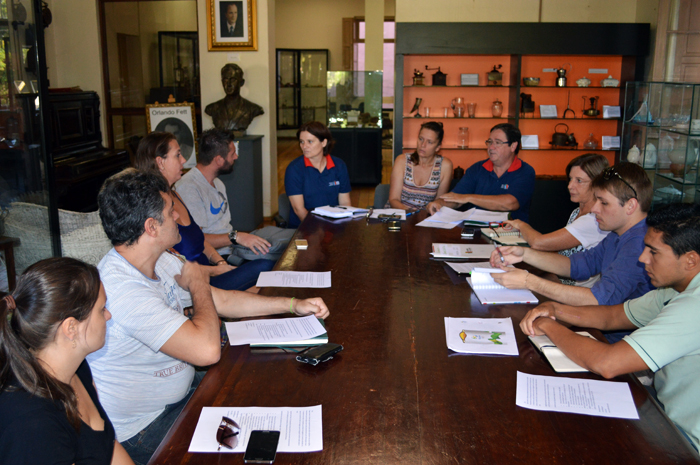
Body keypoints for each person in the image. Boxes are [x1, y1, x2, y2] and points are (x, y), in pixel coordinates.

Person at [88, 169, 329, 465]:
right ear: (151, 227)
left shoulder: (158, 258)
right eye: (170, 211)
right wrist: (199, 281)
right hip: (147, 428)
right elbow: (207, 351)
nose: (178, 215)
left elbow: (224, 300)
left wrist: (292, 305)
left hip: (182, 394)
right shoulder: (123, 290)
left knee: (268, 391)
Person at [519, 203, 700, 452]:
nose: (642, 258)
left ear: (690, 260)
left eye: (653, 252)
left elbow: (608, 363)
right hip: (666, 411)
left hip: (686, 439)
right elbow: (612, 317)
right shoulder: (675, 288)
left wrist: (548, 326)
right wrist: (555, 309)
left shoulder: (693, 305)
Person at [0, 258, 133, 465]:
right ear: (71, 328)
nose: (108, 315)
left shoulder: (76, 367)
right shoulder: (31, 424)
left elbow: (107, 446)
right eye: (101, 309)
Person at [489, 163, 654, 308]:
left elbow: (599, 299)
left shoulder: (639, 244)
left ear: (631, 205)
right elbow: (576, 265)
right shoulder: (618, 234)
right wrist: (524, 254)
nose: (595, 208)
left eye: (604, 202)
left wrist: (529, 282)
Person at [135, 131, 273, 291]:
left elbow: (199, 238)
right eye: (177, 155)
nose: (184, 160)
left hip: (210, 271)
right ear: (160, 162)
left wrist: (220, 262)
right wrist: (217, 268)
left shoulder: (175, 194)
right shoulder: (153, 207)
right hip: (197, 285)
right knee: (266, 268)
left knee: (269, 272)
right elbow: (171, 269)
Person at [503, 153, 609, 287]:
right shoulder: (577, 212)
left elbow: (539, 243)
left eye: (579, 181)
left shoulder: (594, 220)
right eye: (570, 179)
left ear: (597, 184)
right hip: (561, 278)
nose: (570, 186)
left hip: (573, 290)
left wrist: (520, 224)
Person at [175, 128, 273, 259]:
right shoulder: (188, 188)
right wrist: (237, 237)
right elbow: (195, 239)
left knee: (275, 251)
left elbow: (224, 229)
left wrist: (239, 238)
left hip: (232, 249)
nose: (236, 157)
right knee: (267, 264)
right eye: (233, 154)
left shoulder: (218, 183)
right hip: (214, 258)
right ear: (219, 160)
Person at [426, 123, 535, 222]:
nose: (491, 147)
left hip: (510, 233)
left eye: (497, 142)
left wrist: (468, 198)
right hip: (476, 230)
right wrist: (439, 203)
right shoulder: (477, 168)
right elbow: (456, 198)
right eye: (490, 142)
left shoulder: (525, 171)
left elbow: (510, 204)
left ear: (513, 146)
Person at [284, 121, 352, 228]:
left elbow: (345, 203)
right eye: (301, 142)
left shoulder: (339, 165)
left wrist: (343, 226)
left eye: (310, 141)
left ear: (324, 143)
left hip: (334, 226)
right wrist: (318, 231)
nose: (304, 146)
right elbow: (299, 210)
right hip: (304, 228)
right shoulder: (294, 169)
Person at [387, 121, 453, 210]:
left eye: (429, 142)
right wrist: (411, 213)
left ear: (438, 147)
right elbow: (394, 200)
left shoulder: (445, 166)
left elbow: (438, 202)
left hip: (425, 218)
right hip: (399, 214)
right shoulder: (402, 161)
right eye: (421, 139)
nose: (423, 145)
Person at [204, 64, 264, 134]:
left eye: (233, 80)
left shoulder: (253, 109)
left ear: (241, 82)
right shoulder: (212, 108)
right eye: (225, 79)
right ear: (222, 82)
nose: (228, 84)